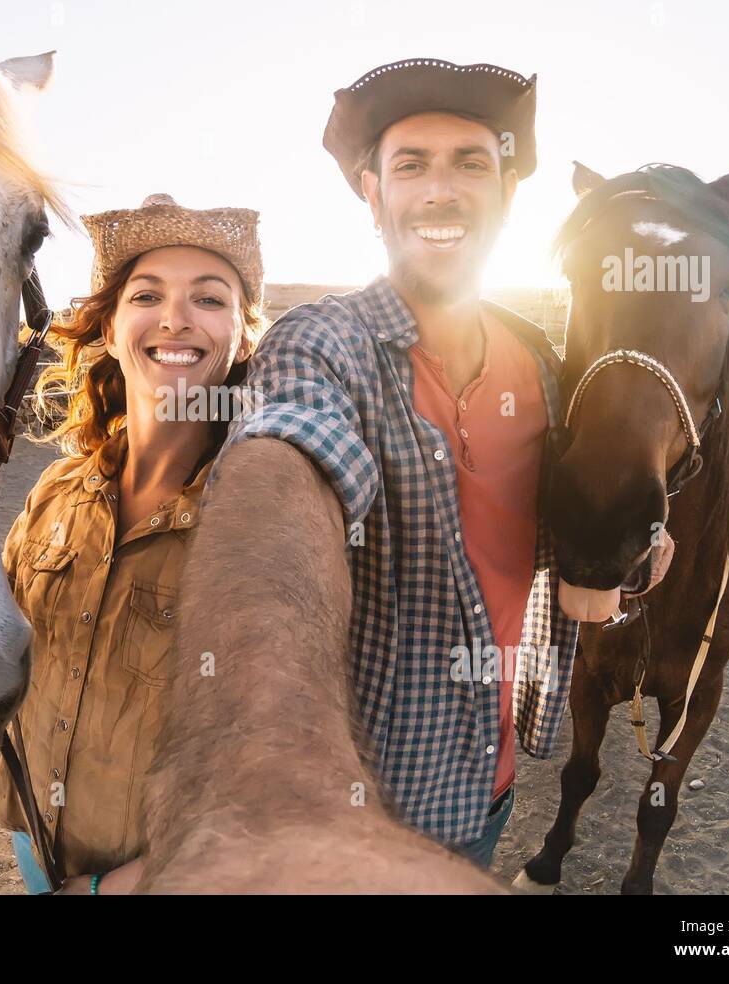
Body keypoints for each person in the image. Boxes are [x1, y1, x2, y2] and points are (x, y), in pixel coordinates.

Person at [177, 59, 579, 868]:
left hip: (490, 783)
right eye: (410, 165)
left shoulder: (540, 368)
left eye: (472, 163)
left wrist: (632, 553)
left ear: (506, 194)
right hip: (359, 809)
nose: (441, 190)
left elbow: (549, 541)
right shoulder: (321, 343)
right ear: (372, 196)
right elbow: (283, 470)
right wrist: (276, 777)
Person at [0, 193, 266, 893]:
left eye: (209, 299)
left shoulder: (259, 526)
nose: (175, 317)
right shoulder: (54, 493)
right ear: (110, 330)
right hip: (35, 841)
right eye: (148, 295)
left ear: (241, 337)